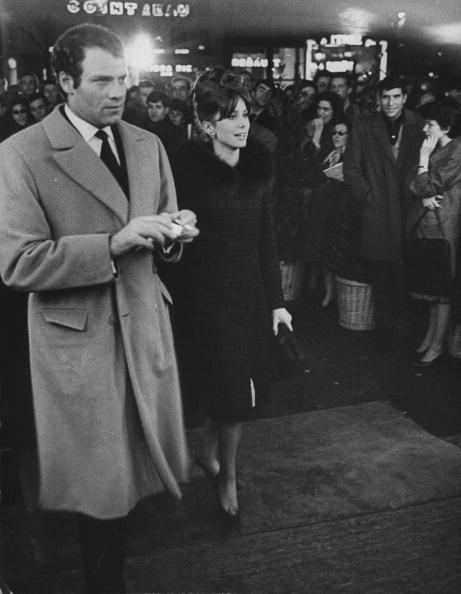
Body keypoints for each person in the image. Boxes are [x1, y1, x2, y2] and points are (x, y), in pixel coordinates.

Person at [0, 22, 198, 593]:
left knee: (135, 475)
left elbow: (164, 231)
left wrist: (174, 233)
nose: (119, 93)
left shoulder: (146, 143)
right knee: (101, 487)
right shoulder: (22, 154)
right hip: (79, 339)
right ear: (64, 81)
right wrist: (112, 244)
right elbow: (19, 264)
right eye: (103, 80)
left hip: (143, 325)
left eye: (125, 80)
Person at [170, 80, 292, 520]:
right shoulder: (189, 176)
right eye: (231, 116)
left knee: (235, 388)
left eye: (245, 115)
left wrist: (277, 301)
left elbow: (267, 240)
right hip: (206, 299)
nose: (243, 124)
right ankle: (226, 476)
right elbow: (177, 242)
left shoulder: (259, 169)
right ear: (207, 125)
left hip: (250, 298)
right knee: (232, 390)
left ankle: (209, 453)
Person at [344, 75, 424, 350]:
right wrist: (368, 196)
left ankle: (406, 334)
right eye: (385, 97)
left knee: (406, 274)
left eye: (396, 97)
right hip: (377, 211)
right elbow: (351, 169)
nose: (390, 103)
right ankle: (387, 334)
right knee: (380, 274)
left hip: (408, 211)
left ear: (404, 97)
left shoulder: (419, 125)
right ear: (379, 99)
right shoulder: (365, 126)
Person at [406, 99, 461, 366]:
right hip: (428, 226)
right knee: (430, 288)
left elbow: (431, 184)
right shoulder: (440, 147)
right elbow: (416, 184)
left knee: (441, 290)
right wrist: (424, 190)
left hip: (443, 226)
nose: (425, 128)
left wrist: (423, 161)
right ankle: (430, 337)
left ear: (446, 126)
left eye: (431, 124)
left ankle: (438, 344)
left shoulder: (457, 150)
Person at [304, 118, 352, 307]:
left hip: (338, 210)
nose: (336, 136)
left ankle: (334, 294)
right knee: (321, 250)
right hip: (322, 208)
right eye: (334, 133)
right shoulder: (328, 154)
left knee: (333, 251)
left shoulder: (350, 157)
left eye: (341, 133)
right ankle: (326, 291)